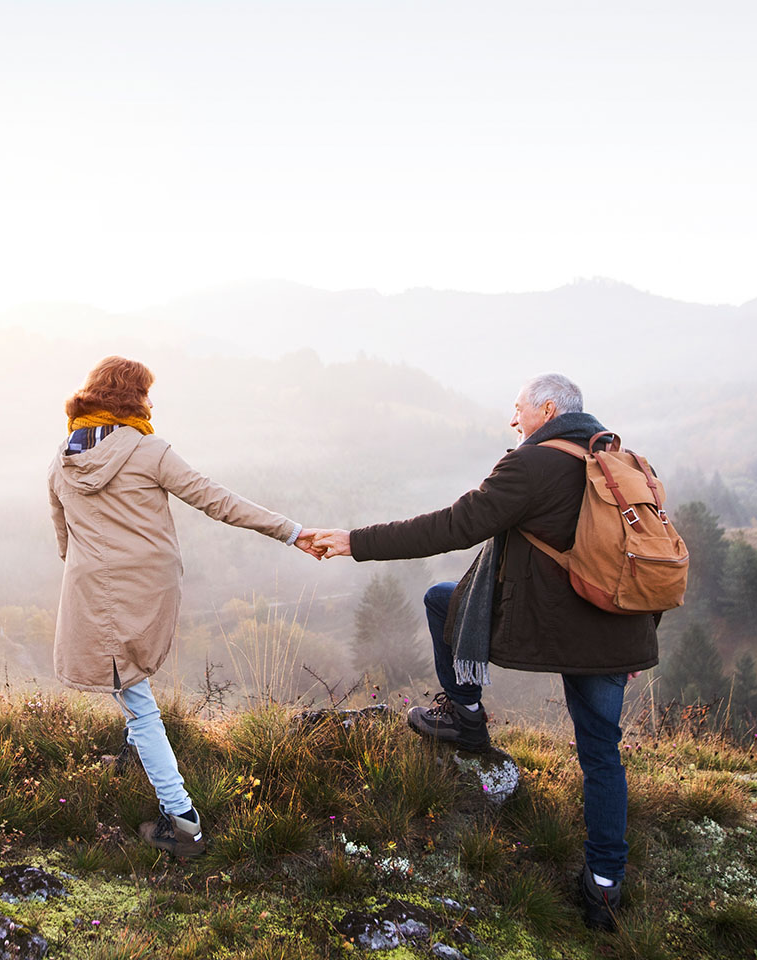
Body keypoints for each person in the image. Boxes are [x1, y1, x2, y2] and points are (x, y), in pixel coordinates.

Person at [312, 374, 659, 931]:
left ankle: (466, 716)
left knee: (440, 601)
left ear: (547, 410)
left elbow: (451, 526)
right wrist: (639, 634)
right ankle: (604, 887)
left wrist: (356, 541)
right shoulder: (625, 463)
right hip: (618, 628)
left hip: (554, 624)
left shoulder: (532, 465)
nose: (513, 420)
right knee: (602, 754)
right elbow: (650, 556)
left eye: (519, 409)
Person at [48, 356, 320, 857]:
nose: (152, 403)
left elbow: (64, 538)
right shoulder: (149, 451)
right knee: (136, 696)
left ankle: (169, 799)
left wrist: (93, 575)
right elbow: (215, 499)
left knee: (130, 689)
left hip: (94, 590)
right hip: (148, 587)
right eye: (146, 394)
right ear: (129, 399)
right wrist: (292, 531)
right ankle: (186, 824)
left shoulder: (62, 459)